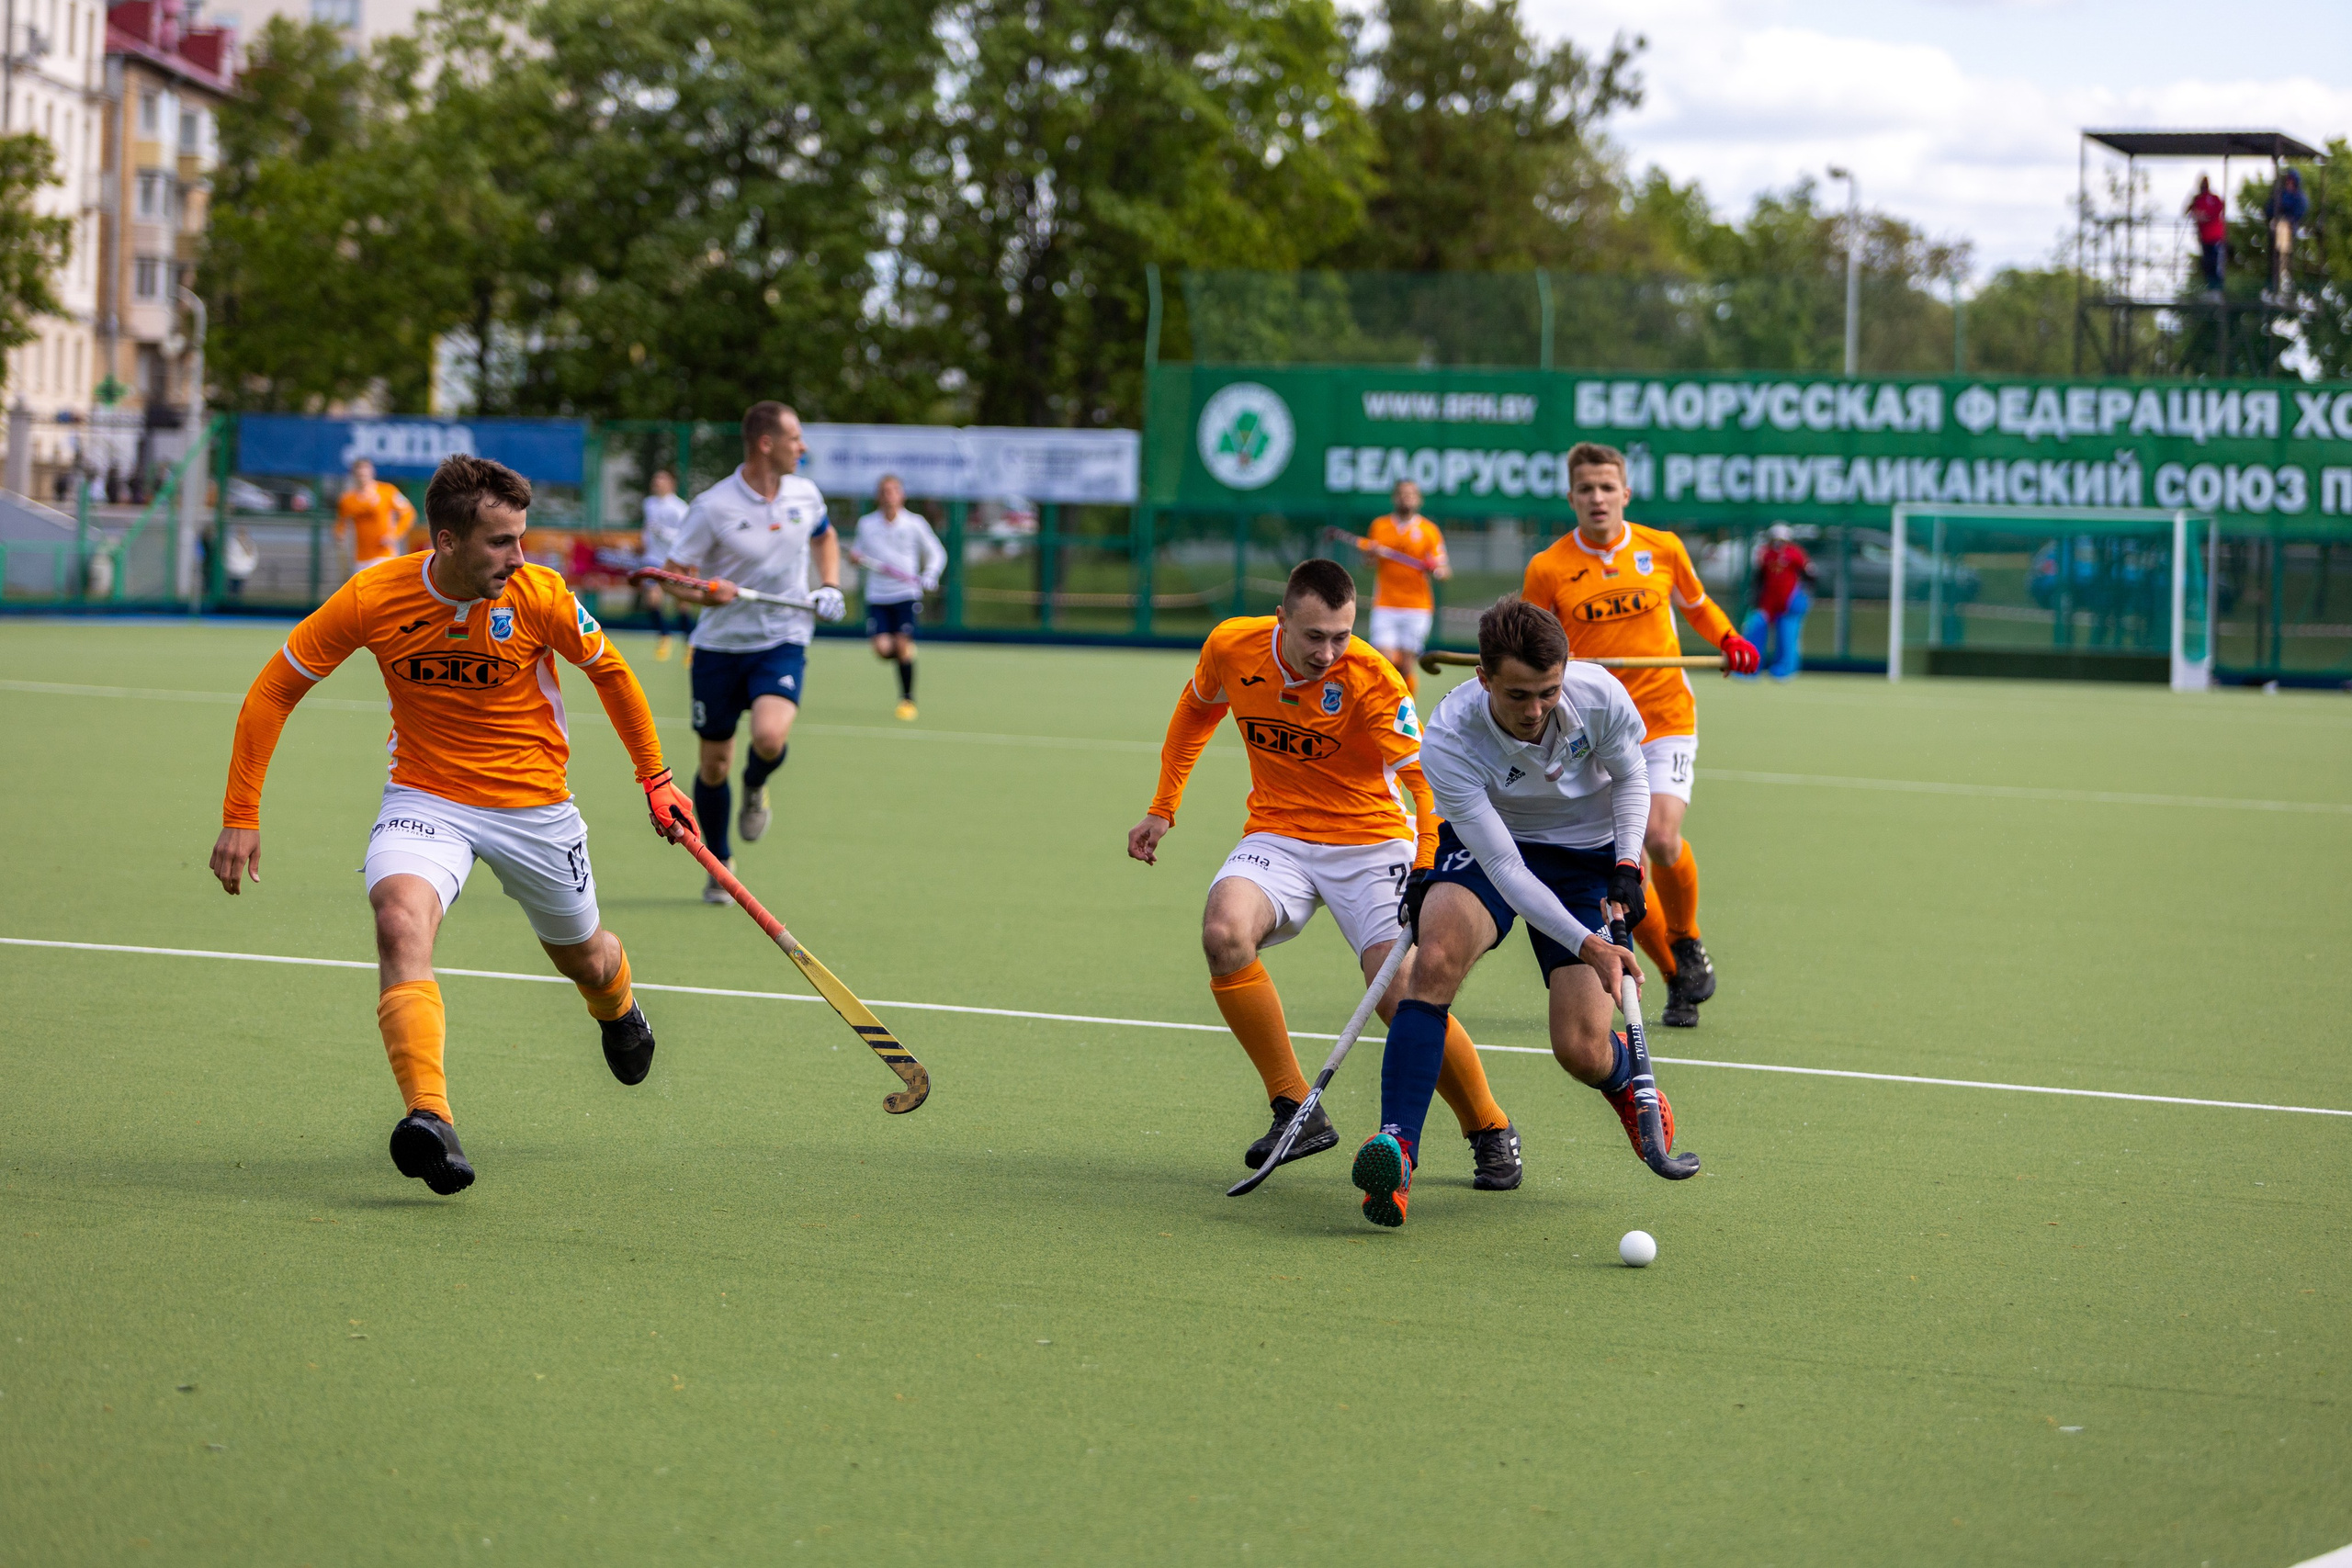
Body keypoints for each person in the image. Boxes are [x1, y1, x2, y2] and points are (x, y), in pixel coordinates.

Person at [206, 454, 698, 1197]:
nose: (519, 555)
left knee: (587, 959)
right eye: (500, 541)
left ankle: (619, 1006)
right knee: (399, 920)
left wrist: (655, 777)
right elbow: (276, 687)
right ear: (445, 540)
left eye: (521, 536)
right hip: (426, 796)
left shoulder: (540, 594)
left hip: (534, 805)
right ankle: (430, 1117)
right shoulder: (376, 595)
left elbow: (614, 675)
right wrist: (241, 811)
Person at [1128, 558, 1523, 1190]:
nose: (1329, 651)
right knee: (1224, 932)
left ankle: (1488, 1125)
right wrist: (1162, 806)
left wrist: (1425, 865)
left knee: (1399, 992)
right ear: (1281, 619)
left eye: (1341, 635)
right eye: (1315, 636)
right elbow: (1197, 710)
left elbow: (1427, 785)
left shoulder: (1371, 678)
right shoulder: (1233, 644)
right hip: (1278, 833)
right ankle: (1294, 1108)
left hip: (1369, 840)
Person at [1353, 597, 1661, 1229]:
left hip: (1585, 856)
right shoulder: (1449, 735)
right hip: (1497, 847)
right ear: (1483, 678)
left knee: (1580, 1047)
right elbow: (1508, 872)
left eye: (1548, 692)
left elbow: (1632, 777)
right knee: (1431, 959)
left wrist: (1627, 863)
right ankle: (1397, 1152)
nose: (1536, 710)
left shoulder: (1599, 696)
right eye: (1518, 695)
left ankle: (1625, 1081)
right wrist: (1589, 944)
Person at [1519, 442, 1759, 1028]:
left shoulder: (1663, 548)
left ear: (1625, 493)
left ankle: (1687, 939)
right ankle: (1677, 977)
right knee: (1619, 865)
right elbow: (1528, 647)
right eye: (1585, 490)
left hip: (1664, 714)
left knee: (1659, 834)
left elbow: (1698, 606)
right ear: (1571, 497)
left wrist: (1728, 638)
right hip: (1591, 728)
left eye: (1607, 488)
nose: (1597, 499)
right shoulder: (1547, 568)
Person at [659, 401, 846, 903]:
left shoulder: (806, 494)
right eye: (795, 438)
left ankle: (757, 783)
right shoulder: (714, 506)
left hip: (783, 638)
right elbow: (673, 576)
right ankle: (719, 863)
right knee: (713, 764)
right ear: (766, 443)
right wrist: (705, 593)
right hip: (720, 647)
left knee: (768, 737)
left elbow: (825, 537)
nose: (802, 447)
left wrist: (829, 584)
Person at [1341, 480, 1449, 696]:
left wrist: (1433, 568)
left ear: (1418, 499)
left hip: (1417, 607)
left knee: (1406, 667)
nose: (1406, 498)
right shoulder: (1380, 526)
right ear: (1394, 497)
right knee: (1385, 662)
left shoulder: (1429, 530)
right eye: (1401, 494)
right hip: (1386, 604)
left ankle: (1406, 707)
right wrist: (1370, 554)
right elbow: (1367, 563)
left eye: (1411, 494)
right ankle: (1387, 706)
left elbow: (1444, 571)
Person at [853, 474, 946, 720]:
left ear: (902, 495)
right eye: (884, 491)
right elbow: (857, 555)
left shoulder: (914, 523)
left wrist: (930, 574)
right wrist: (855, 559)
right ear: (878, 496)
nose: (889, 495)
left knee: (902, 645)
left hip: (906, 593)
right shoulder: (866, 524)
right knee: (884, 649)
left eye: (894, 490)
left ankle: (907, 699)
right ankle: (905, 652)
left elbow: (937, 552)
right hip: (878, 595)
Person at [1741, 524, 1816, 682]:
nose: (1778, 543)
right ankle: (1749, 668)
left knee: (1787, 637)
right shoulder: (1765, 554)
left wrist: (1802, 596)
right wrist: (1755, 599)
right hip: (1767, 604)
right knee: (1755, 631)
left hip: (1787, 605)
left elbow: (1811, 575)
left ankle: (1784, 671)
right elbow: (1759, 579)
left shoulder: (1795, 553)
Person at [639, 468, 692, 662]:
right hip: (653, 559)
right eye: (656, 478)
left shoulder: (680, 508)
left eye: (662, 479)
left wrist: (663, 532)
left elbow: (685, 536)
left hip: (674, 559)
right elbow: (648, 529)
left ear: (671, 483)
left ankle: (690, 643)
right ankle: (665, 636)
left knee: (682, 603)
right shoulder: (649, 504)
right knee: (652, 598)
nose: (657, 482)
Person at [335, 457, 418, 577]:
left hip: (383, 554)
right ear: (354, 475)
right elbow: (341, 523)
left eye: (365, 473)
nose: (362, 476)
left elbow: (409, 513)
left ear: (372, 472)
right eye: (359, 474)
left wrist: (395, 535)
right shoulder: (347, 500)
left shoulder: (387, 491)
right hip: (360, 558)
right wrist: (339, 535)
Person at [2267, 168, 2310, 293]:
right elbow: (2270, 208)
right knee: (2274, 260)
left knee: (2285, 260)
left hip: (2288, 231)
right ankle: (2273, 287)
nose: (2289, 183)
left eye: (2291, 180)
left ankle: (2284, 287)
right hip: (2276, 230)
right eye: (2287, 180)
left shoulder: (2299, 196)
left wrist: (2288, 219)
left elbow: (2299, 212)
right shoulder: (2280, 194)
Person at [2188, 175, 2228, 295]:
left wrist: (2203, 216)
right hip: (2204, 237)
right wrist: (2194, 211)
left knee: (2215, 262)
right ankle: (2211, 289)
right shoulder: (2198, 199)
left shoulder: (2213, 198)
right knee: (2207, 263)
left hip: (2215, 236)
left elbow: (2216, 211)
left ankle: (2217, 289)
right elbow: (2189, 213)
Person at [223, 525, 259, 598]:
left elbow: (252, 556)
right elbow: (228, 555)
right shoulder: (232, 543)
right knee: (231, 588)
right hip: (233, 570)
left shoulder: (249, 543)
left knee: (239, 589)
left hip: (243, 571)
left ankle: (236, 599)